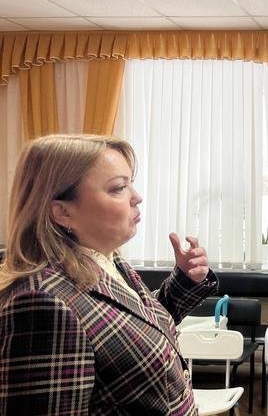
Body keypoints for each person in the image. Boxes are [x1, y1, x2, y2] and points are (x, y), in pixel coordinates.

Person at [0, 134, 218, 415]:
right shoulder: (41, 303)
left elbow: (135, 330)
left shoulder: (107, 261)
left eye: (130, 184)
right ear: (62, 212)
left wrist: (185, 280)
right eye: (118, 188)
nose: (137, 197)